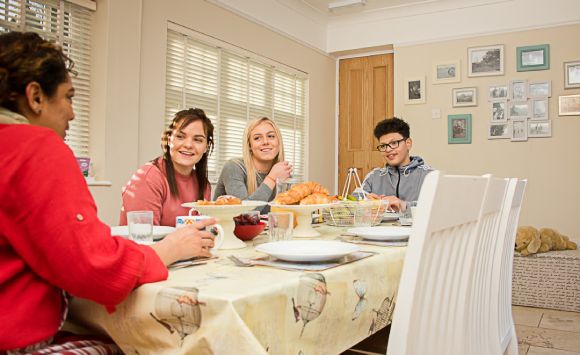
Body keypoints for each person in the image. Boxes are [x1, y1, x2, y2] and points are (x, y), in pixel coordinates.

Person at [0, 31, 216, 352]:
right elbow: (93, 266)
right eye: (69, 97)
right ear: (35, 97)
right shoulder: (37, 147)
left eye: (198, 140)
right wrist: (168, 250)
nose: (73, 113)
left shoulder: (204, 182)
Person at [120, 108, 214, 226]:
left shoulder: (204, 185)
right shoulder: (148, 178)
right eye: (180, 136)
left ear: (206, 147)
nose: (188, 145)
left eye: (198, 140)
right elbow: (142, 240)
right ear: (169, 140)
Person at [213, 117, 292, 211]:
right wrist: (271, 178)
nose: (265, 142)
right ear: (250, 145)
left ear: (279, 142)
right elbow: (244, 213)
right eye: (257, 138)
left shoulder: (281, 172)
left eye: (271, 136)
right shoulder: (233, 167)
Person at [362, 117, 432, 211]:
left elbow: (438, 208)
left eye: (394, 143)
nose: (388, 149)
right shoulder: (373, 177)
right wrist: (365, 203)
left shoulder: (429, 175)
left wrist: (403, 205)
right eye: (383, 146)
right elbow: (352, 203)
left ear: (408, 143)